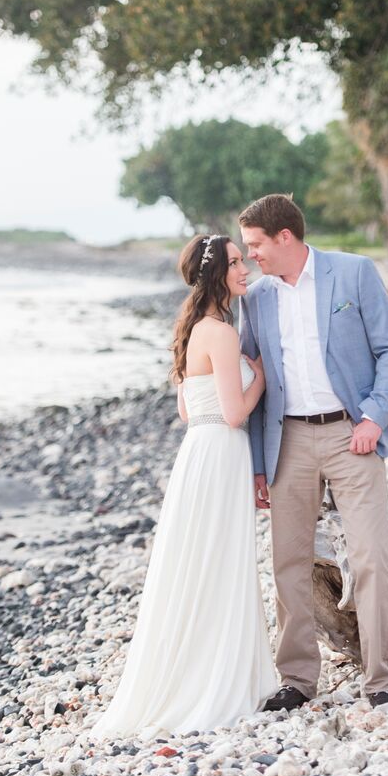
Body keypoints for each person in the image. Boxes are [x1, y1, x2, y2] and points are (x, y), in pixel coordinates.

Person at [89, 234, 277, 739]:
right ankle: (215, 681)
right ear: (216, 274)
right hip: (220, 452)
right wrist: (259, 377)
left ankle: (202, 668)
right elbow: (235, 414)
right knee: (221, 561)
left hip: (200, 452)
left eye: (244, 260)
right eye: (236, 263)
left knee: (203, 562)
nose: (245, 269)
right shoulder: (221, 332)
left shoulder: (194, 328)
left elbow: (187, 409)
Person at [238, 194, 388, 711]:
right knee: (288, 561)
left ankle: (379, 679)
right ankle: (297, 679)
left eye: (255, 245)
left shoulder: (353, 273)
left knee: (370, 558)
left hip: (349, 434)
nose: (251, 257)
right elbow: (253, 379)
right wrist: (257, 464)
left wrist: (374, 416)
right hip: (286, 440)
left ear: (284, 237)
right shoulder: (257, 298)